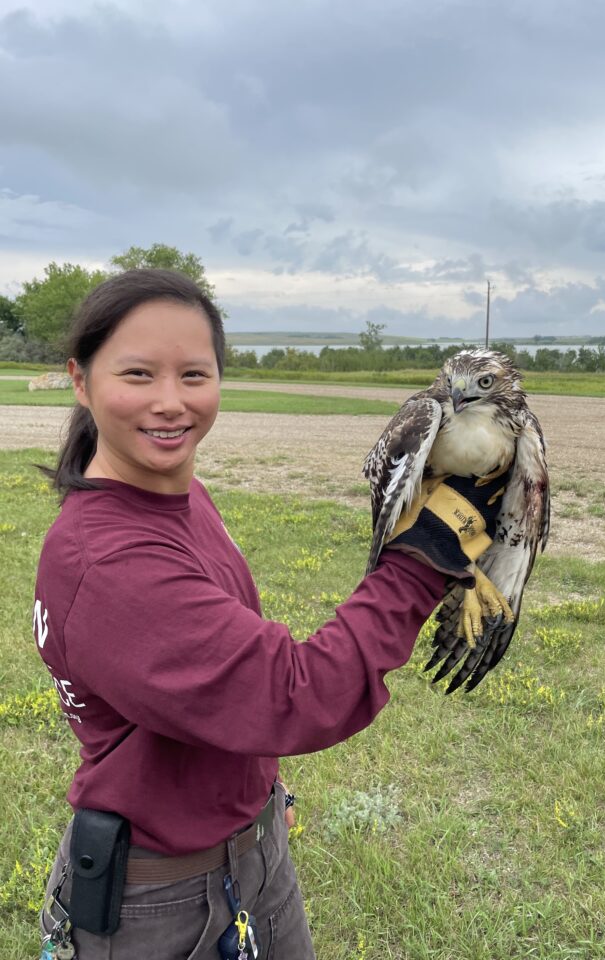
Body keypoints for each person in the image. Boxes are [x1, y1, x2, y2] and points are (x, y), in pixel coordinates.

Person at [34, 269, 503, 960]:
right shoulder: (108, 561)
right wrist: (426, 557)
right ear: (81, 381)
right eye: (137, 373)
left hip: (251, 859)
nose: (170, 402)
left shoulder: (178, 500)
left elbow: (220, 691)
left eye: (194, 375)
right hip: (161, 905)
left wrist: (259, 790)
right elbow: (294, 693)